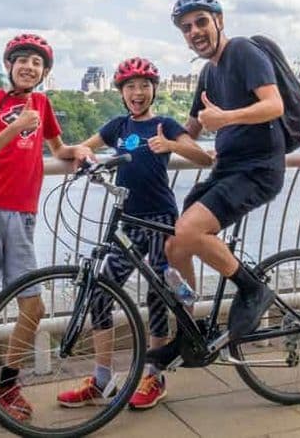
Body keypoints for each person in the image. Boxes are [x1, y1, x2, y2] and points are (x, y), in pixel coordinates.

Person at [56, 57, 212, 410]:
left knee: (158, 295)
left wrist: (171, 146)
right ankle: (101, 380)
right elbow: (84, 146)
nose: (137, 92)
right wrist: (83, 153)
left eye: (144, 86)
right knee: (101, 292)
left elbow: (203, 158)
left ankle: (155, 376)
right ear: (122, 92)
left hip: (159, 219)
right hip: (127, 221)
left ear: (154, 90)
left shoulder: (164, 124)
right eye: (130, 87)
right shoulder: (118, 126)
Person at [0, 33, 93, 423]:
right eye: (22, 60)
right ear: (9, 65)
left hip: (21, 214)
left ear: (44, 71)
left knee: (33, 307)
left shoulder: (42, 104)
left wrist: (79, 151)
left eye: (37, 63)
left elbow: (57, 149)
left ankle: (6, 384)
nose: (29, 67)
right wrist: (16, 126)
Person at [157, 0, 285, 357]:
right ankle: (188, 332)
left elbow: (274, 105)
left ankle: (253, 289)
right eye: (186, 28)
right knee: (175, 245)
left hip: (258, 168)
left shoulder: (242, 51)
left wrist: (226, 118)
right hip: (227, 169)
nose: (194, 31)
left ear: (219, 21)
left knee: (189, 230)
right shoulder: (208, 74)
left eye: (201, 22)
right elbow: (191, 132)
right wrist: (153, 145)